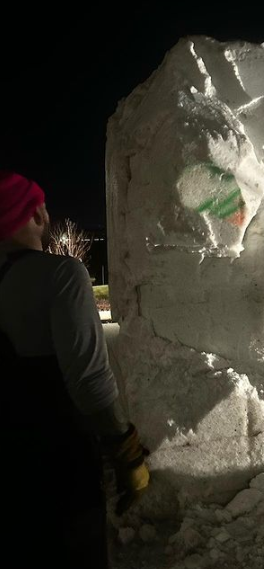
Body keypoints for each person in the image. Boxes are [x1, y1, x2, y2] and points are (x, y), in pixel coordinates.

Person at [0, 170, 149, 569]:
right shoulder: (61, 274)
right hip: (57, 458)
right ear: (36, 215)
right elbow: (89, 381)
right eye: (42, 207)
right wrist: (126, 452)